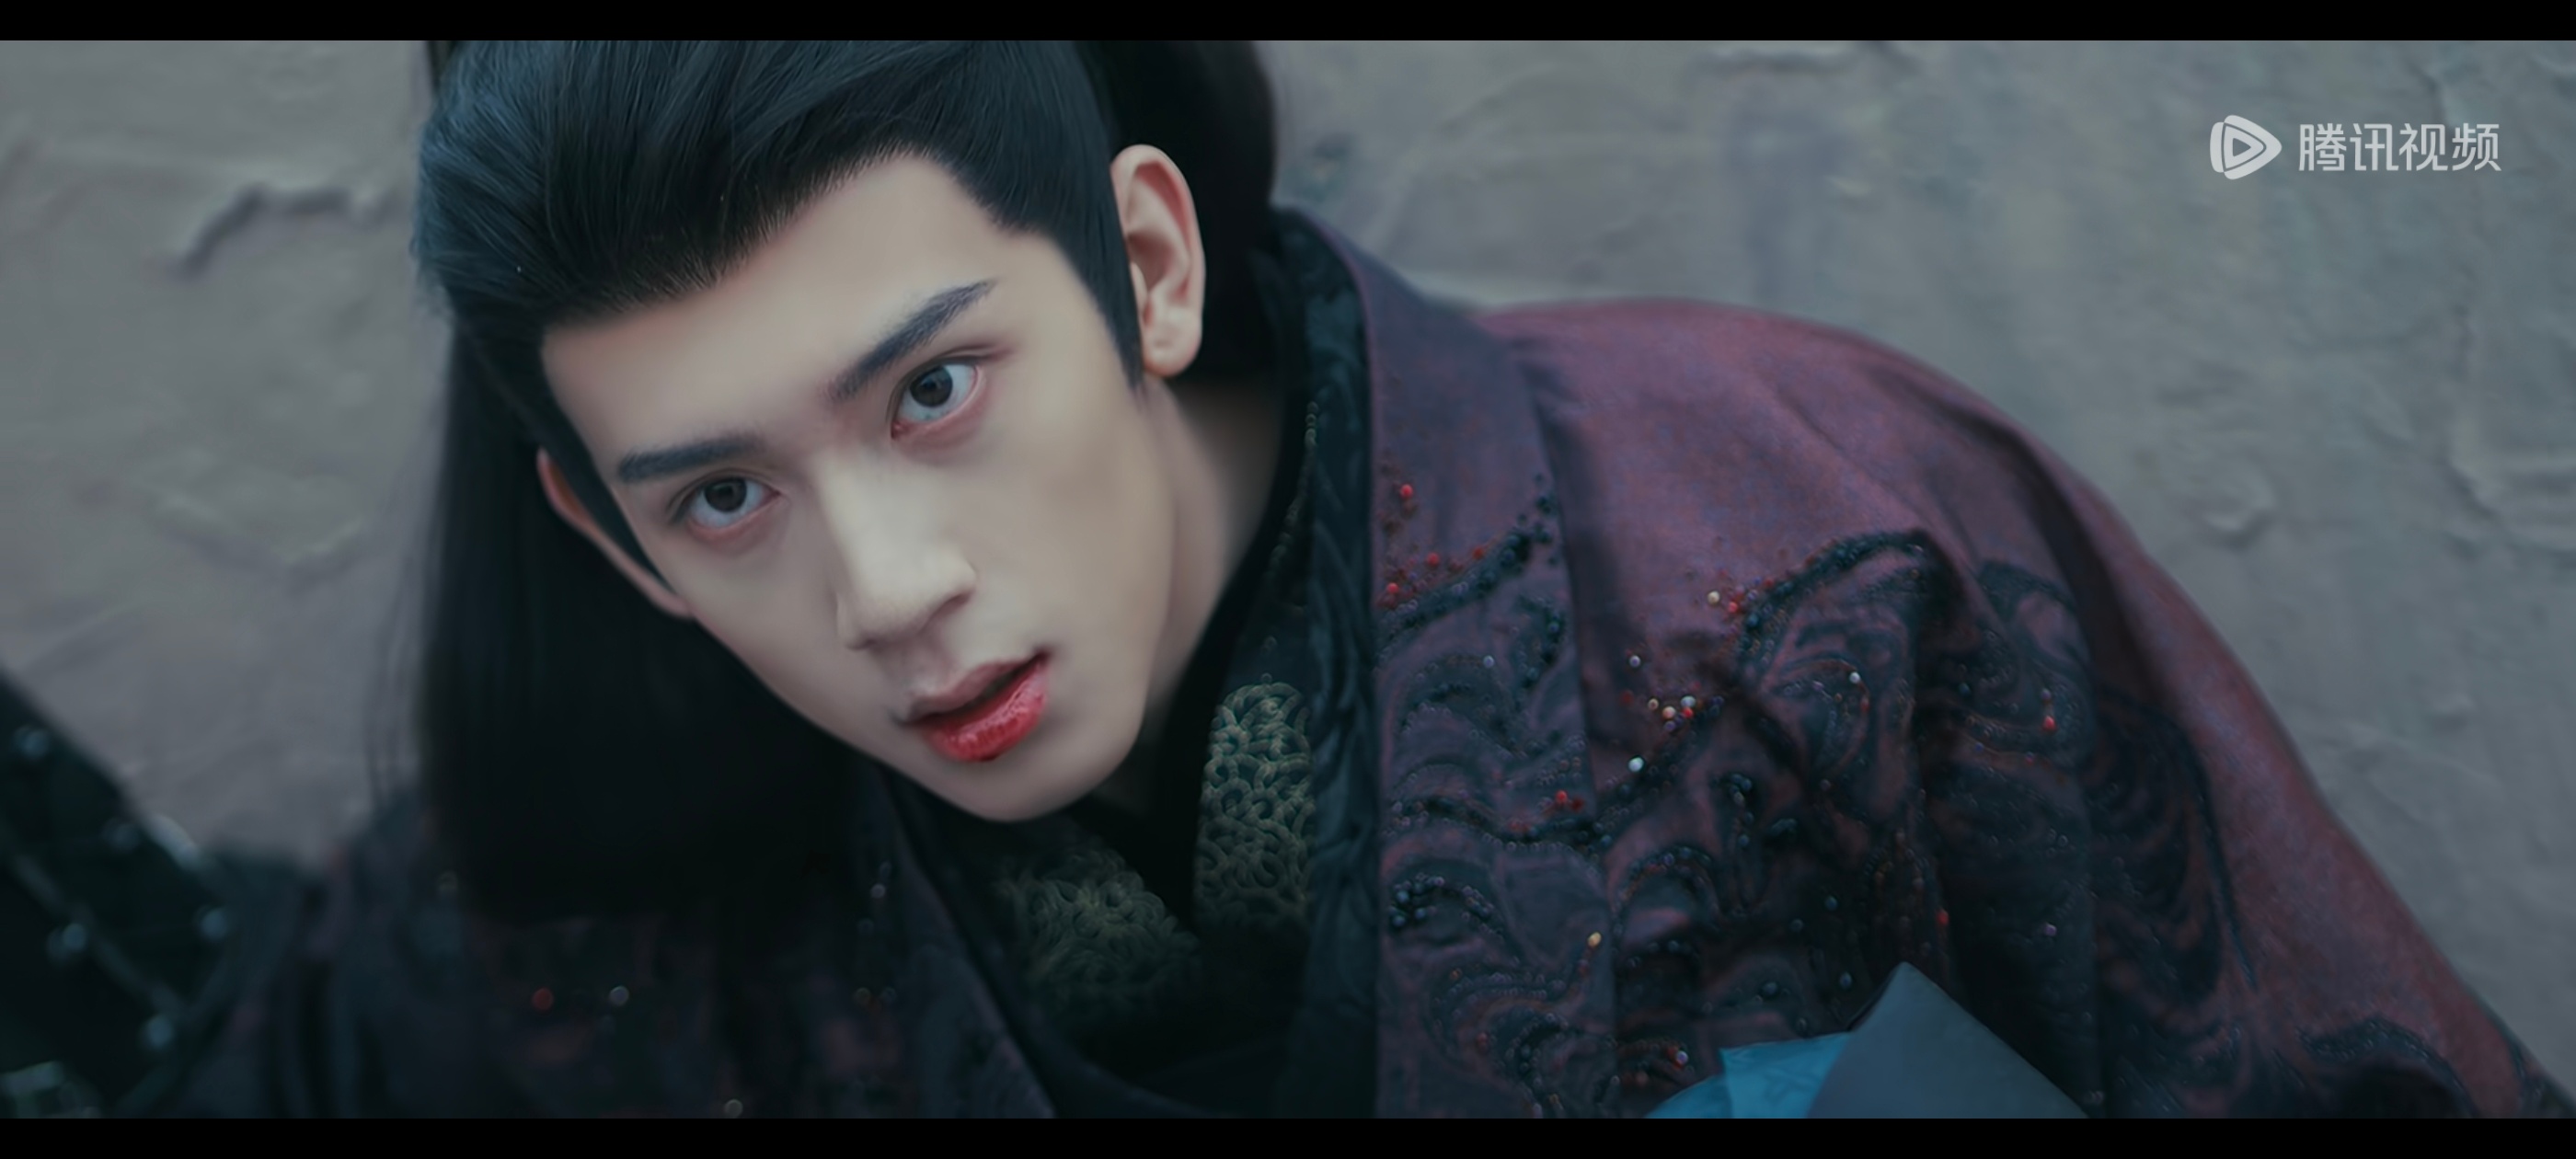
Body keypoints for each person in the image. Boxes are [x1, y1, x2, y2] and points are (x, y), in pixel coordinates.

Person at [0, 40, 2564, 1119]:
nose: (889, 588)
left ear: (1143, 259)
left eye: (934, 388)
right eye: (723, 501)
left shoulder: (1790, 536)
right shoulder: (657, 885)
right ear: (607, 537)